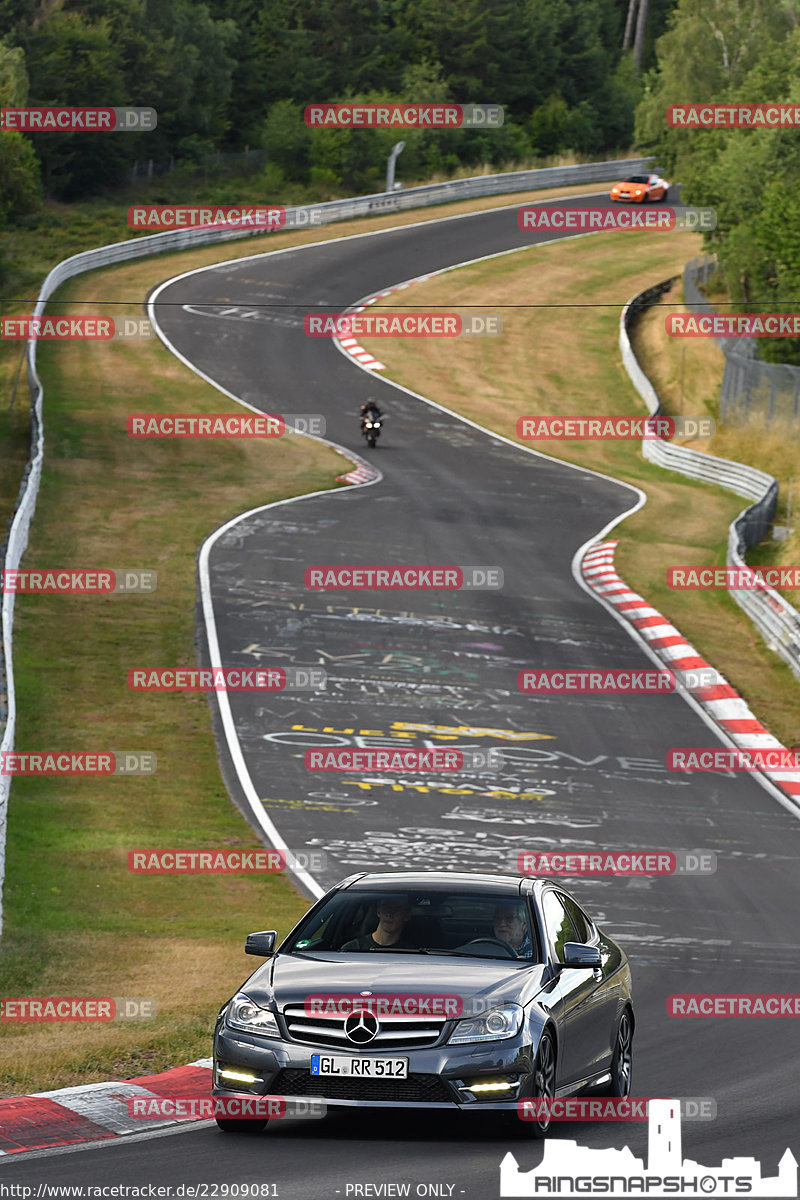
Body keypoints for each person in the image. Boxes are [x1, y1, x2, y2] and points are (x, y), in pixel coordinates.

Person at [341, 895, 413, 951]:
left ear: (406, 916)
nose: (389, 914)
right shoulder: (352, 948)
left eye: (397, 908)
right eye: (386, 907)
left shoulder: (411, 953)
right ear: (378, 911)